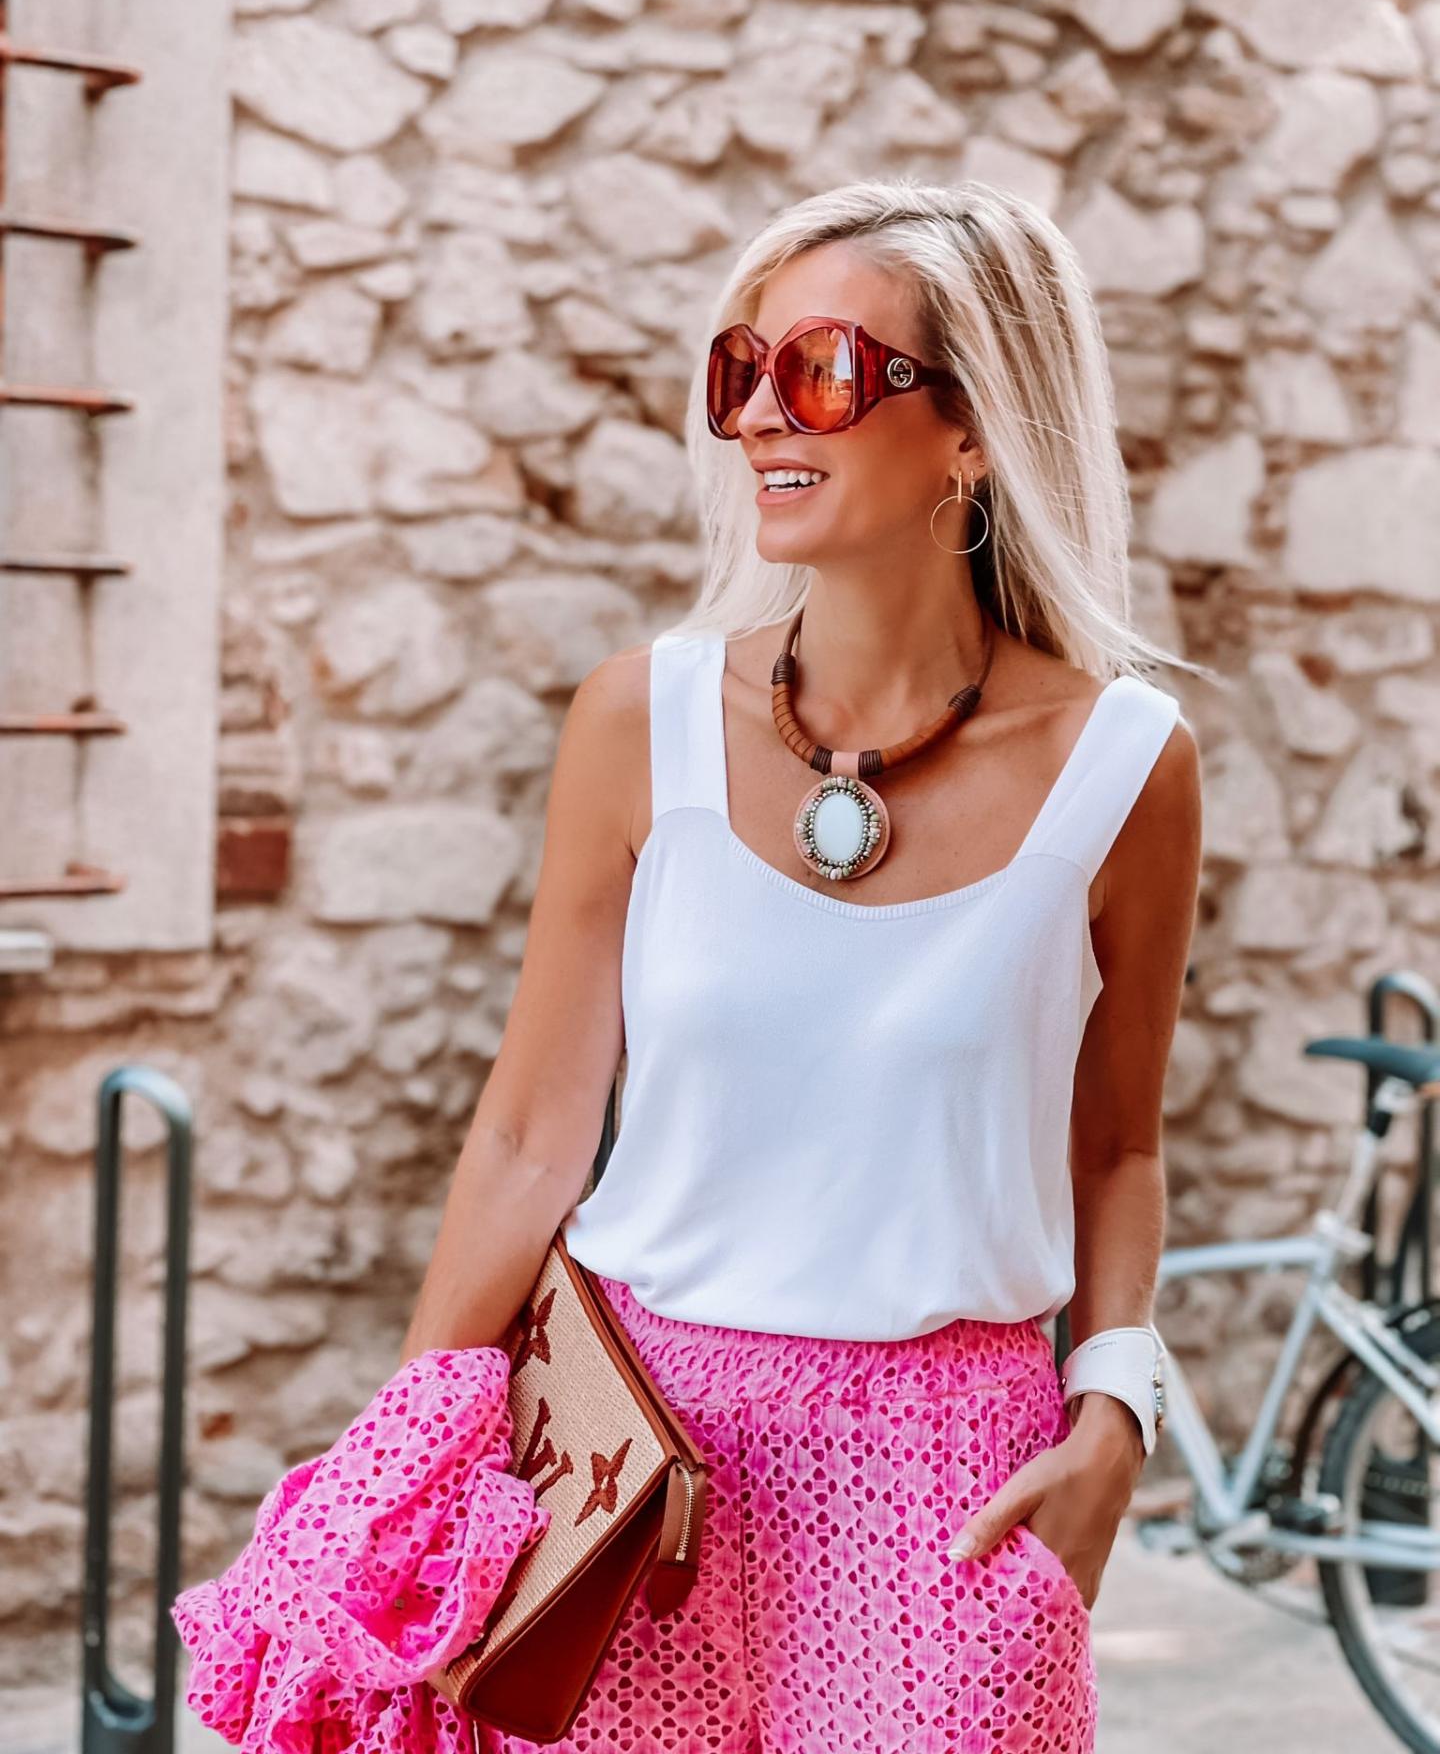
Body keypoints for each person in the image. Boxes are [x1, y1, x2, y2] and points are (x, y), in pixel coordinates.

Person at [400, 177, 1206, 1752]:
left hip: (956, 1489)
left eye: (823, 371)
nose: (763, 413)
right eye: (741, 371)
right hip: (630, 1468)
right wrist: (415, 1440)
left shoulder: (1127, 766)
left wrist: (1115, 1407)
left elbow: (1117, 1145)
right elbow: (528, 1133)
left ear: (971, 430)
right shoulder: (639, 720)